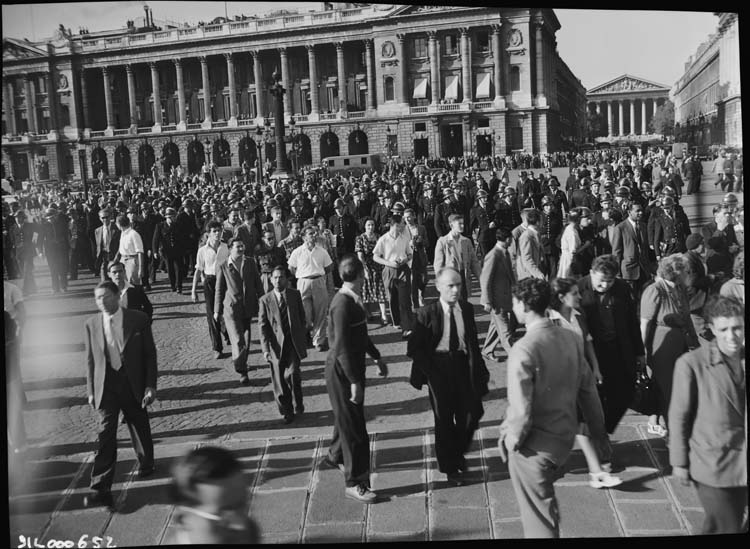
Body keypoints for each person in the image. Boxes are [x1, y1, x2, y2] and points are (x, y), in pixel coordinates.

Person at [498, 278, 607, 538]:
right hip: (564, 438)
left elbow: (521, 411)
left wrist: (510, 441)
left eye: (514, 303)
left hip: (534, 447)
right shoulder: (570, 337)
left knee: (538, 522)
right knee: (545, 506)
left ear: (524, 305)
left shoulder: (523, 349)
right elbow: (589, 392)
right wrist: (599, 435)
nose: (513, 309)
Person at [668, 295, 746, 534]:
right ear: (712, 328)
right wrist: (679, 463)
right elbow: (679, 416)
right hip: (715, 466)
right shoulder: (692, 364)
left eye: (738, 328)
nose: (732, 336)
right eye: (724, 329)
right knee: (726, 526)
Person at [408, 267, 489, 486]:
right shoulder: (427, 313)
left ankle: (457, 451)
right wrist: (431, 372)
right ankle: (450, 467)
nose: (455, 290)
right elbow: (414, 348)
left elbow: (472, 343)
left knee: (472, 413)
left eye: (459, 285)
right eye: (450, 286)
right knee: (444, 419)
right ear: (439, 287)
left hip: (462, 364)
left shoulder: (467, 309)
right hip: (438, 367)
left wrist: (480, 370)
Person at [83, 281, 157, 510]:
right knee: (105, 432)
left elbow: (149, 355)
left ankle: (146, 461)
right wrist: (90, 391)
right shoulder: (91, 324)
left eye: (106, 296)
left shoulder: (137, 319)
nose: (102, 302)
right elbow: (90, 360)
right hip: (106, 385)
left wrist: (150, 386)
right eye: (97, 298)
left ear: (117, 296)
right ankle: (100, 485)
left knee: (138, 421)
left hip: (131, 380)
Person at [323, 254, 388, 503]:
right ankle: (355, 482)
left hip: (351, 369)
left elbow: (359, 334)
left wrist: (376, 357)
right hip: (342, 372)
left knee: (346, 419)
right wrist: (354, 382)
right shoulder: (341, 304)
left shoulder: (353, 300)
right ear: (361, 275)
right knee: (355, 429)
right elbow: (340, 347)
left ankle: (335, 455)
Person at [548, 278, 621, 489]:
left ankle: (599, 463)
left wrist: (596, 368)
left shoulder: (579, 316)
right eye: (574, 293)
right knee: (577, 422)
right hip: (562, 376)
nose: (579, 296)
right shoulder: (551, 321)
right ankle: (596, 468)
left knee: (594, 416)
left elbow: (588, 343)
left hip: (584, 370)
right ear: (562, 298)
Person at [578, 254, 646, 435]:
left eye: (610, 281)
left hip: (619, 349)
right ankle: (597, 435)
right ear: (591, 273)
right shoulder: (578, 289)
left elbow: (632, 321)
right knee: (596, 397)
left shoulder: (622, 288)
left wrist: (640, 352)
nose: (605, 285)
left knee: (624, 394)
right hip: (592, 352)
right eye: (601, 281)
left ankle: (606, 428)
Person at [639, 254, 699, 438]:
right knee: (668, 389)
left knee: (679, 387)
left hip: (679, 342)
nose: (688, 273)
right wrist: (641, 352)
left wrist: (695, 344)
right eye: (685, 271)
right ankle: (674, 434)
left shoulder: (679, 289)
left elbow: (687, 317)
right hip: (661, 344)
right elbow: (645, 323)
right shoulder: (655, 290)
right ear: (675, 272)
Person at [167, 446, 260, 544]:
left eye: (243, 505)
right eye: (224, 516)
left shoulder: (249, 532)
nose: (241, 525)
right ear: (182, 519)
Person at [258, 265, 308, 424]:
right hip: (276, 346)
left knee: (294, 374)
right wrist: (265, 349)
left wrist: (302, 338)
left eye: (281, 277)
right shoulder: (265, 300)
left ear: (287, 279)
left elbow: (301, 317)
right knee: (279, 380)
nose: (278, 280)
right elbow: (263, 326)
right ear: (271, 280)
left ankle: (297, 402)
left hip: (292, 344)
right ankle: (286, 410)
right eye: (275, 277)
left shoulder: (295, 295)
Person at [214, 238, 263, 386]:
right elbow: (219, 290)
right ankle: (242, 371)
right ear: (230, 249)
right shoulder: (223, 266)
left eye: (242, 246)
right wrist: (217, 310)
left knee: (246, 340)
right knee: (237, 339)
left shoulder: (250, 262)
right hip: (232, 309)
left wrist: (262, 300)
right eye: (237, 247)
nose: (241, 249)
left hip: (248, 307)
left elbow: (257, 283)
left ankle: (242, 362)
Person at [288, 225, 333, 352]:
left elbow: (329, 267)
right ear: (303, 237)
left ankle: (319, 341)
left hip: (318, 281)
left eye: (314, 233)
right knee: (305, 314)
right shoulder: (297, 252)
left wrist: (319, 276)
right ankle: (306, 336)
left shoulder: (322, 251)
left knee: (321, 312)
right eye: (310, 234)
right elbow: (291, 268)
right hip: (303, 283)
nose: (313, 236)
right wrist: (303, 275)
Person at [192, 221, 230, 359]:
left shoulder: (226, 248)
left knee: (224, 311)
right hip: (209, 281)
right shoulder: (202, 250)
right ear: (208, 233)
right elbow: (198, 269)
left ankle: (227, 333)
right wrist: (193, 290)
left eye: (219, 230)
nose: (217, 233)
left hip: (224, 281)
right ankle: (217, 347)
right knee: (211, 314)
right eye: (214, 231)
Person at [373, 215, 414, 338]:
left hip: (403, 270)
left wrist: (405, 259)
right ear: (395, 225)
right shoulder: (383, 239)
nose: (404, 225)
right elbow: (375, 256)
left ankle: (407, 327)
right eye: (402, 223)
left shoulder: (404, 238)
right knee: (393, 298)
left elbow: (410, 254)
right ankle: (397, 321)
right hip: (389, 270)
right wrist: (389, 263)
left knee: (404, 299)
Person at [480, 227, 516, 362]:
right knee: (505, 331)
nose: (512, 241)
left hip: (504, 298)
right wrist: (487, 301)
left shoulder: (504, 252)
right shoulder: (493, 255)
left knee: (495, 326)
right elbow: (485, 279)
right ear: (507, 239)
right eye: (511, 239)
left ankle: (487, 350)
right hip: (496, 301)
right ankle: (517, 356)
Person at [434, 213, 481, 300]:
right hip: (450, 278)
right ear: (451, 225)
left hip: (464, 277)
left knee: (464, 305)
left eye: (463, 223)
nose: (463, 226)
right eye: (459, 224)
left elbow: (474, 262)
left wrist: (481, 279)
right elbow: (438, 265)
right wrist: (441, 283)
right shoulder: (443, 241)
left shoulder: (466, 241)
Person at [612, 202, 653, 299]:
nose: (641, 213)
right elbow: (616, 252)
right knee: (631, 300)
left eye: (641, 211)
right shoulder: (620, 228)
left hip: (644, 270)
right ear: (629, 212)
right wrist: (617, 273)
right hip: (629, 272)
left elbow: (645, 249)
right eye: (637, 211)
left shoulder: (643, 226)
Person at [5, 281, 27, 453]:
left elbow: (21, 313)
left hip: (10, 337)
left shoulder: (11, 289)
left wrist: (19, 334)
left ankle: (19, 442)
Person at [355, 218, 389, 326]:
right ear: (364, 226)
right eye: (368, 225)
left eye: (373, 225)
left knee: (380, 291)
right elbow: (360, 255)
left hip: (378, 266)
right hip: (366, 266)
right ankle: (368, 313)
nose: (371, 227)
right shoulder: (360, 238)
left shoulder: (379, 237)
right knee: (366, 291)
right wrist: (365, 269)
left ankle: (383, 315)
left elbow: (384, 251)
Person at [153, 207, 186, 293]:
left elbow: (183, 238)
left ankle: (179, 286)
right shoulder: (160, 226)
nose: (172, 219)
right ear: (166, 218)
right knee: (170, 269)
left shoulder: (178, 225)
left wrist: (184, 249)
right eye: (170, 217)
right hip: (167, 251)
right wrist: (155, 251)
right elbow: (156, 239)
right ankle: (173, 285)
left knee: (179, 269)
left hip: (178, 250)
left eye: (173, 217)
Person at [38, 207, 70, 294]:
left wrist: (68, 247)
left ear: (56, 216)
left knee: (62, 268)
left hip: (61, 249)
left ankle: (64, 286)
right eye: (49, 217)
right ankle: (55, 288)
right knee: (53, 269)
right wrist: (40, 251)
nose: (51, 219)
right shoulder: (43, 226)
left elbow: (66, 235)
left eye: (53, 217)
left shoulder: (61, 224)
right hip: (50, 250)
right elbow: (39, 239)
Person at [557, 207, 593, 279]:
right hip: (572, 262)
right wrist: (585, 245)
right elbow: (560, 243)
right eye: (587, 218)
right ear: (579, 219)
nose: (589, 221)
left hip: (585, 261)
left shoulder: (588, 228)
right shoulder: (570, 230)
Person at [115, 214, 144, 287]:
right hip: (122, 260)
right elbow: (121, 247)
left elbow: (140, 252)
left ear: (120, 224)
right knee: (123, 283)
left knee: (133, 283)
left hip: (132, 260)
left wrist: (140, 268)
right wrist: (116, 259)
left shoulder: (134, 234)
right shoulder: (122, 233)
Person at [516, 208, 545, 280]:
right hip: (527, 275)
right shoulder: (527, 236)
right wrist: (538, 274)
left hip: (533, 273)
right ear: (537, 222)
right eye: (541, 220)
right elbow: (527, 258)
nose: (543, 222)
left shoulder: (536, 233)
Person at [94, 208, 121, 282]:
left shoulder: (117, 229)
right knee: (104, 281)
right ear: (100, 218)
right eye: (103, 218)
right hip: (103, 258)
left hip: (114, 257)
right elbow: (98, 245)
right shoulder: (97, 231)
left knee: (115, 280)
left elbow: (120, 244)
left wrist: (117, 257)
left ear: (110, 217)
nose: (105, 219)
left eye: (107, 217)